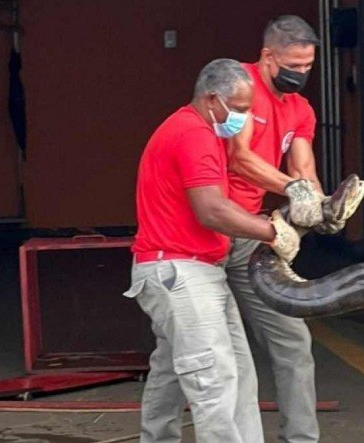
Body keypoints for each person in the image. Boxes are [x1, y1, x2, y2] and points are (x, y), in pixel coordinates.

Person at [124, 58, 301, 443]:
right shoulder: (195, 135)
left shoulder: (190, 128)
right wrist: (273, 232)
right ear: (211, 99)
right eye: (237, 110)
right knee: (215, 380)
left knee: (191, 372)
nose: (243, 118)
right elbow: (212, 210)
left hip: (188, 270)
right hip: (182, 273)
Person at [223, 15, 336, 443]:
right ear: (268, 56)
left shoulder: (300, 108)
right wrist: (295, 190)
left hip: (253, 235)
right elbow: (240, 158)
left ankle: (301, 439)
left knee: (294, 343)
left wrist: (320, 204)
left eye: (308, 67)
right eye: (294, 65)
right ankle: (158, 434)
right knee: (201, 354)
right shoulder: (240, 88)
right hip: (209, 232)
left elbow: (303, 167)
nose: (301, 74)